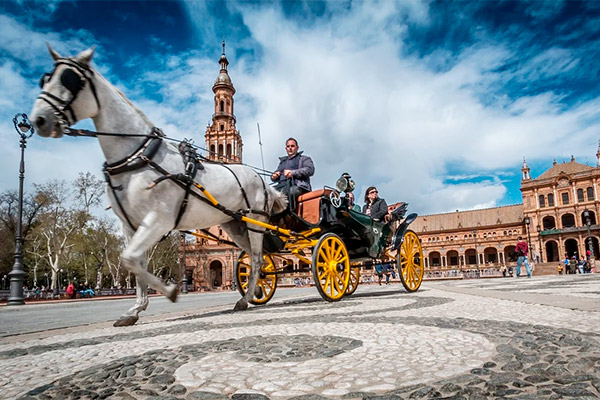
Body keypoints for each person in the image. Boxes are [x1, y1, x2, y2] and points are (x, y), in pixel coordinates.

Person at [271, 138, 315, 204]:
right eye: (288, 146)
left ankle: (285, 213)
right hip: (282, 187)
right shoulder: (283, 162)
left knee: (287, 193)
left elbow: (310, 169)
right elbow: (276, 174)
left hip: (298, 187)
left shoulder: (304, 159)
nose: (290, 148)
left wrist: (292, 173)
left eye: (292, 146)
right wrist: (274, 176)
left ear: (297, 147)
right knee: (267, 193)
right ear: (286, 149)